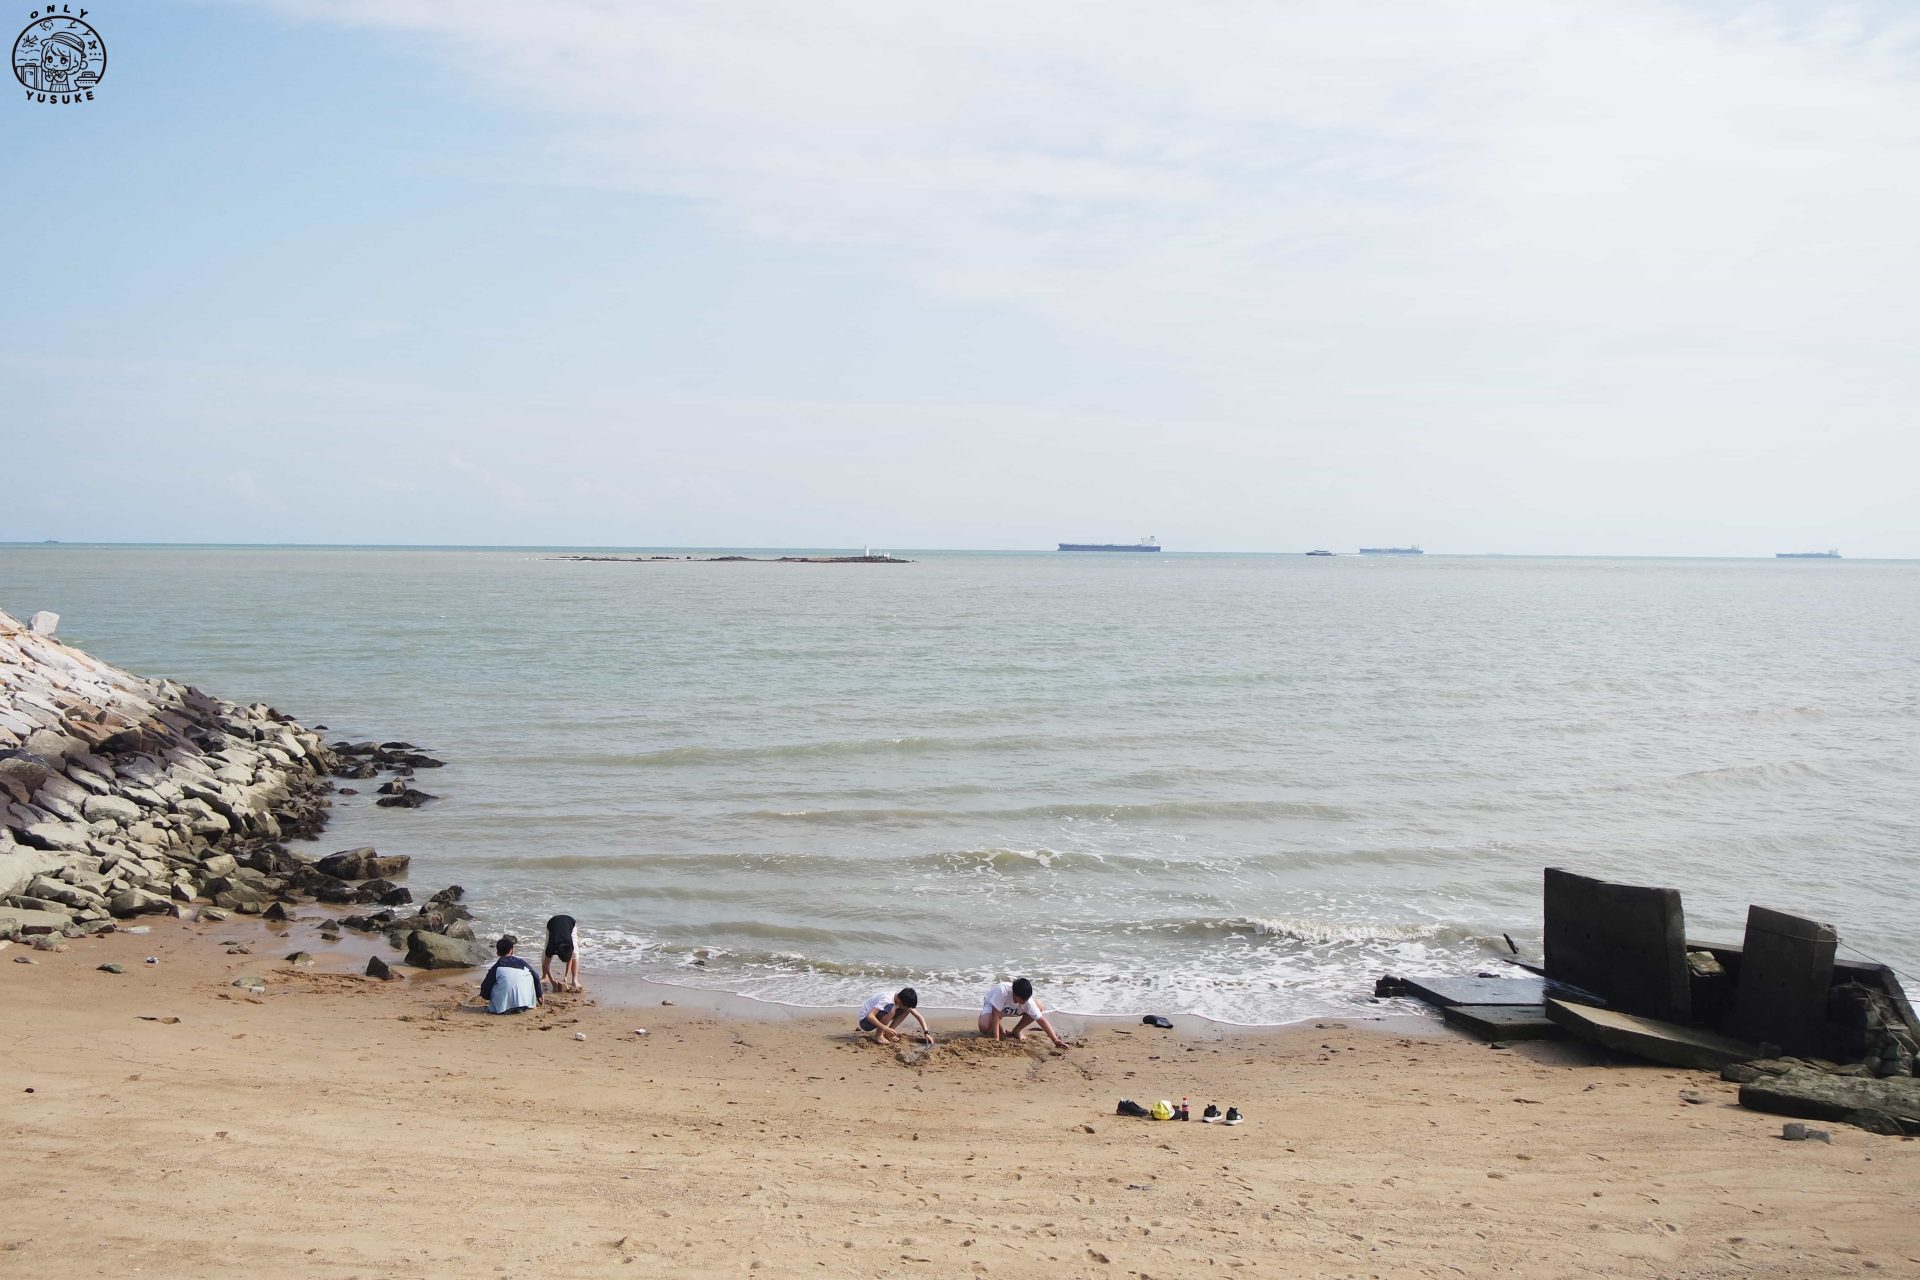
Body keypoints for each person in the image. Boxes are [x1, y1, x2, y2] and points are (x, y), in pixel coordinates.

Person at [978, 977, 1069, 1048]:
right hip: (995, 1007)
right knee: (984, 1027)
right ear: (1014, 993)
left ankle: (1016, 1031)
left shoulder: (1026, 1000)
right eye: (1023, 999)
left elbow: (1041, 1020)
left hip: (1013, 1009)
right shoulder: (1001, 991)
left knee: (1039, 1006)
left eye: (1027, 998)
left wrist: (1055, 1040)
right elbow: (995, 1015)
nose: (1025, 1001)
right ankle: (1000, 1030)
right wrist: (996, 1039)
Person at [480, 935, 542, 1014]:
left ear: (497, 953)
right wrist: (539, 994)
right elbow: (535, 976)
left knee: (494, 983)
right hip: (525, 1004)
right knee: (529, 975)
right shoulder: (522, 963)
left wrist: (487, 996)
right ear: (511, 951)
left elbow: (485, 989)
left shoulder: (497, 967)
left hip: (503, 1008)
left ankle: (506, 1004)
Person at [858, 987, 933, 1045]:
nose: (907, 1008)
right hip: (865, 1022)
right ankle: (878, 1036)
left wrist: (926, 1033)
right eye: (906, 1006)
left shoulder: (898, 997)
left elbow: (918, 1016)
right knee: (891, 1009)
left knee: (906, 1010)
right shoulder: (887, 1000)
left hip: (874, 1019)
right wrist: (885, 1028)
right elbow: (870, 1016)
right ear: (900, 1001)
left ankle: (888, 1034)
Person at [542, 913, 580, 993]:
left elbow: (570, 958)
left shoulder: (570, 944)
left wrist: (566, 977)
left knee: (575, 953)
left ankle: (575, 980)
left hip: (570, 923)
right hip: (552, 923)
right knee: (545, 953)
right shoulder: (551, 946)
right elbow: (547, 964)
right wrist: (552, 981)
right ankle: (544, 977)